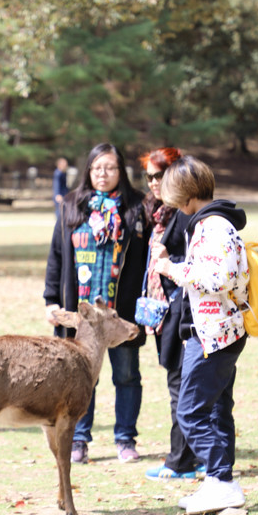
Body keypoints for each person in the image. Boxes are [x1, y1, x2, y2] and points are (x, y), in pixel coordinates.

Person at [149, 155, 249, 514]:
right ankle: (218, 483)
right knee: (218, 409)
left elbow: (217, 279)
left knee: (190, 411)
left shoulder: (214, 227)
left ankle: (222, 482)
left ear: (186, 195)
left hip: (213, 333)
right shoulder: (211, 223)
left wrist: (172, 269)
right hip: (219, 330)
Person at [43, 143, 149, 464]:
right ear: (88, 170)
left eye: (111, 168)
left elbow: (144, 261)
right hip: (82, 315)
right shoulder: (72, 205)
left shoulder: (136, 209)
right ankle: (78, 439)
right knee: (79, 379)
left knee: (127, 375)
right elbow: (57, 256)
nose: (103, 174)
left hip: (121, 312)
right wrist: (51, 299)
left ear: (122, 172)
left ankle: (125, 439)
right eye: (97, 168)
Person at [138, 147, 202, 481]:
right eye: (148, 176)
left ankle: (181, 460)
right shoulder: (158, 212)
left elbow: (192, 265)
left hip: (183, 310)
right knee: (180, 382)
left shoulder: (185, 213)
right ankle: (196, 455)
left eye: (159, 175)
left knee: (181, 384)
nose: (153, 182)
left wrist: (166, 257)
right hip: (161, 309)